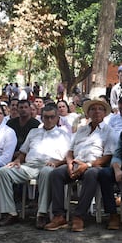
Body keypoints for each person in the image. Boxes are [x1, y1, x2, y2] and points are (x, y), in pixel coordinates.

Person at [43, 99, 115, 232]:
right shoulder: (81, 130)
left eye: (100, 109)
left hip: (94, 165)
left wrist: (87, 165)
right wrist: (69, 163)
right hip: (75, 163)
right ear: (88, 113)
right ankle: (59, 216)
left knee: (92, 174)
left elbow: (108, 156)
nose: (96, 112)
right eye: (93, 109)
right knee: (56, 174)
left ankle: (79, 216)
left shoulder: (109, 131)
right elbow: (70, 151)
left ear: (105, 113)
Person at [0, 104, 70, 228]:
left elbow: (68, 156)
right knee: (3, 172)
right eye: (46, 117)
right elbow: (23, 152)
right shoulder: (34, 132)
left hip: (50, 165)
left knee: (47, 172)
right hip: (29, 165)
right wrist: (18, 161)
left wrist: (57, 163)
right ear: (42, 117)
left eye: (52, 117)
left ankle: (42, 213)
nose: (49, 120)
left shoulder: (63, 134)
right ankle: (10, 213)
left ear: (57, 118)